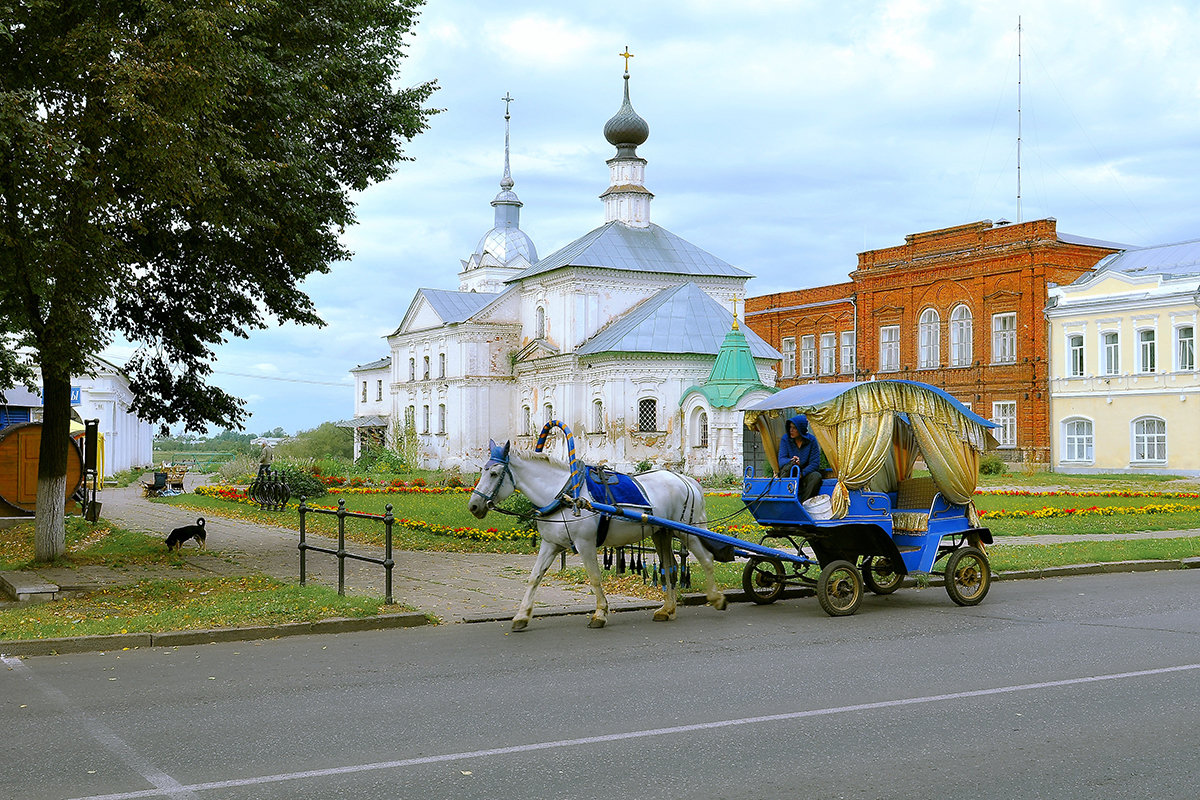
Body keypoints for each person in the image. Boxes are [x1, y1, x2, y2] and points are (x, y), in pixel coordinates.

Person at [777, 414, 822, 502]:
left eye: (794, 428)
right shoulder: (785, 439)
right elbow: (781, 460)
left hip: (804, 473)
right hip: (789, 472)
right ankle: (785, 500)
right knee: (789, 466)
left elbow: (815, 463)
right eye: (790, 427)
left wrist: (802, 473)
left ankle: (803, 504)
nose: (791, 430)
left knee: (816, 476)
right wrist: (792, 461)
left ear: (801, 429)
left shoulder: (811, 440)